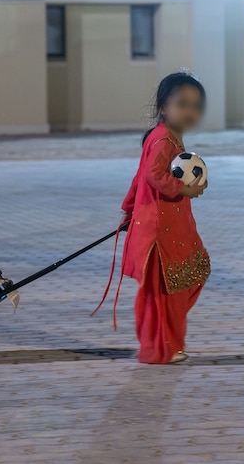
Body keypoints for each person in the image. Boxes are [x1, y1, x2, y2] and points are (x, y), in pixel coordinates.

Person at [94, 71, 211, 364]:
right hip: (162, 231)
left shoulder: (166, 137)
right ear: (162, 107)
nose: (190, 111)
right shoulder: (162, 140)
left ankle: (163, 343)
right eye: (182, 103)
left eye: (196, 106)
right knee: (166, 291)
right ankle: (161, 348)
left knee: (187, 277)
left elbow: (139, 178)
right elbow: (152, 175)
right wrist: (184, 187)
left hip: (171, 225)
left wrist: (129, 207)